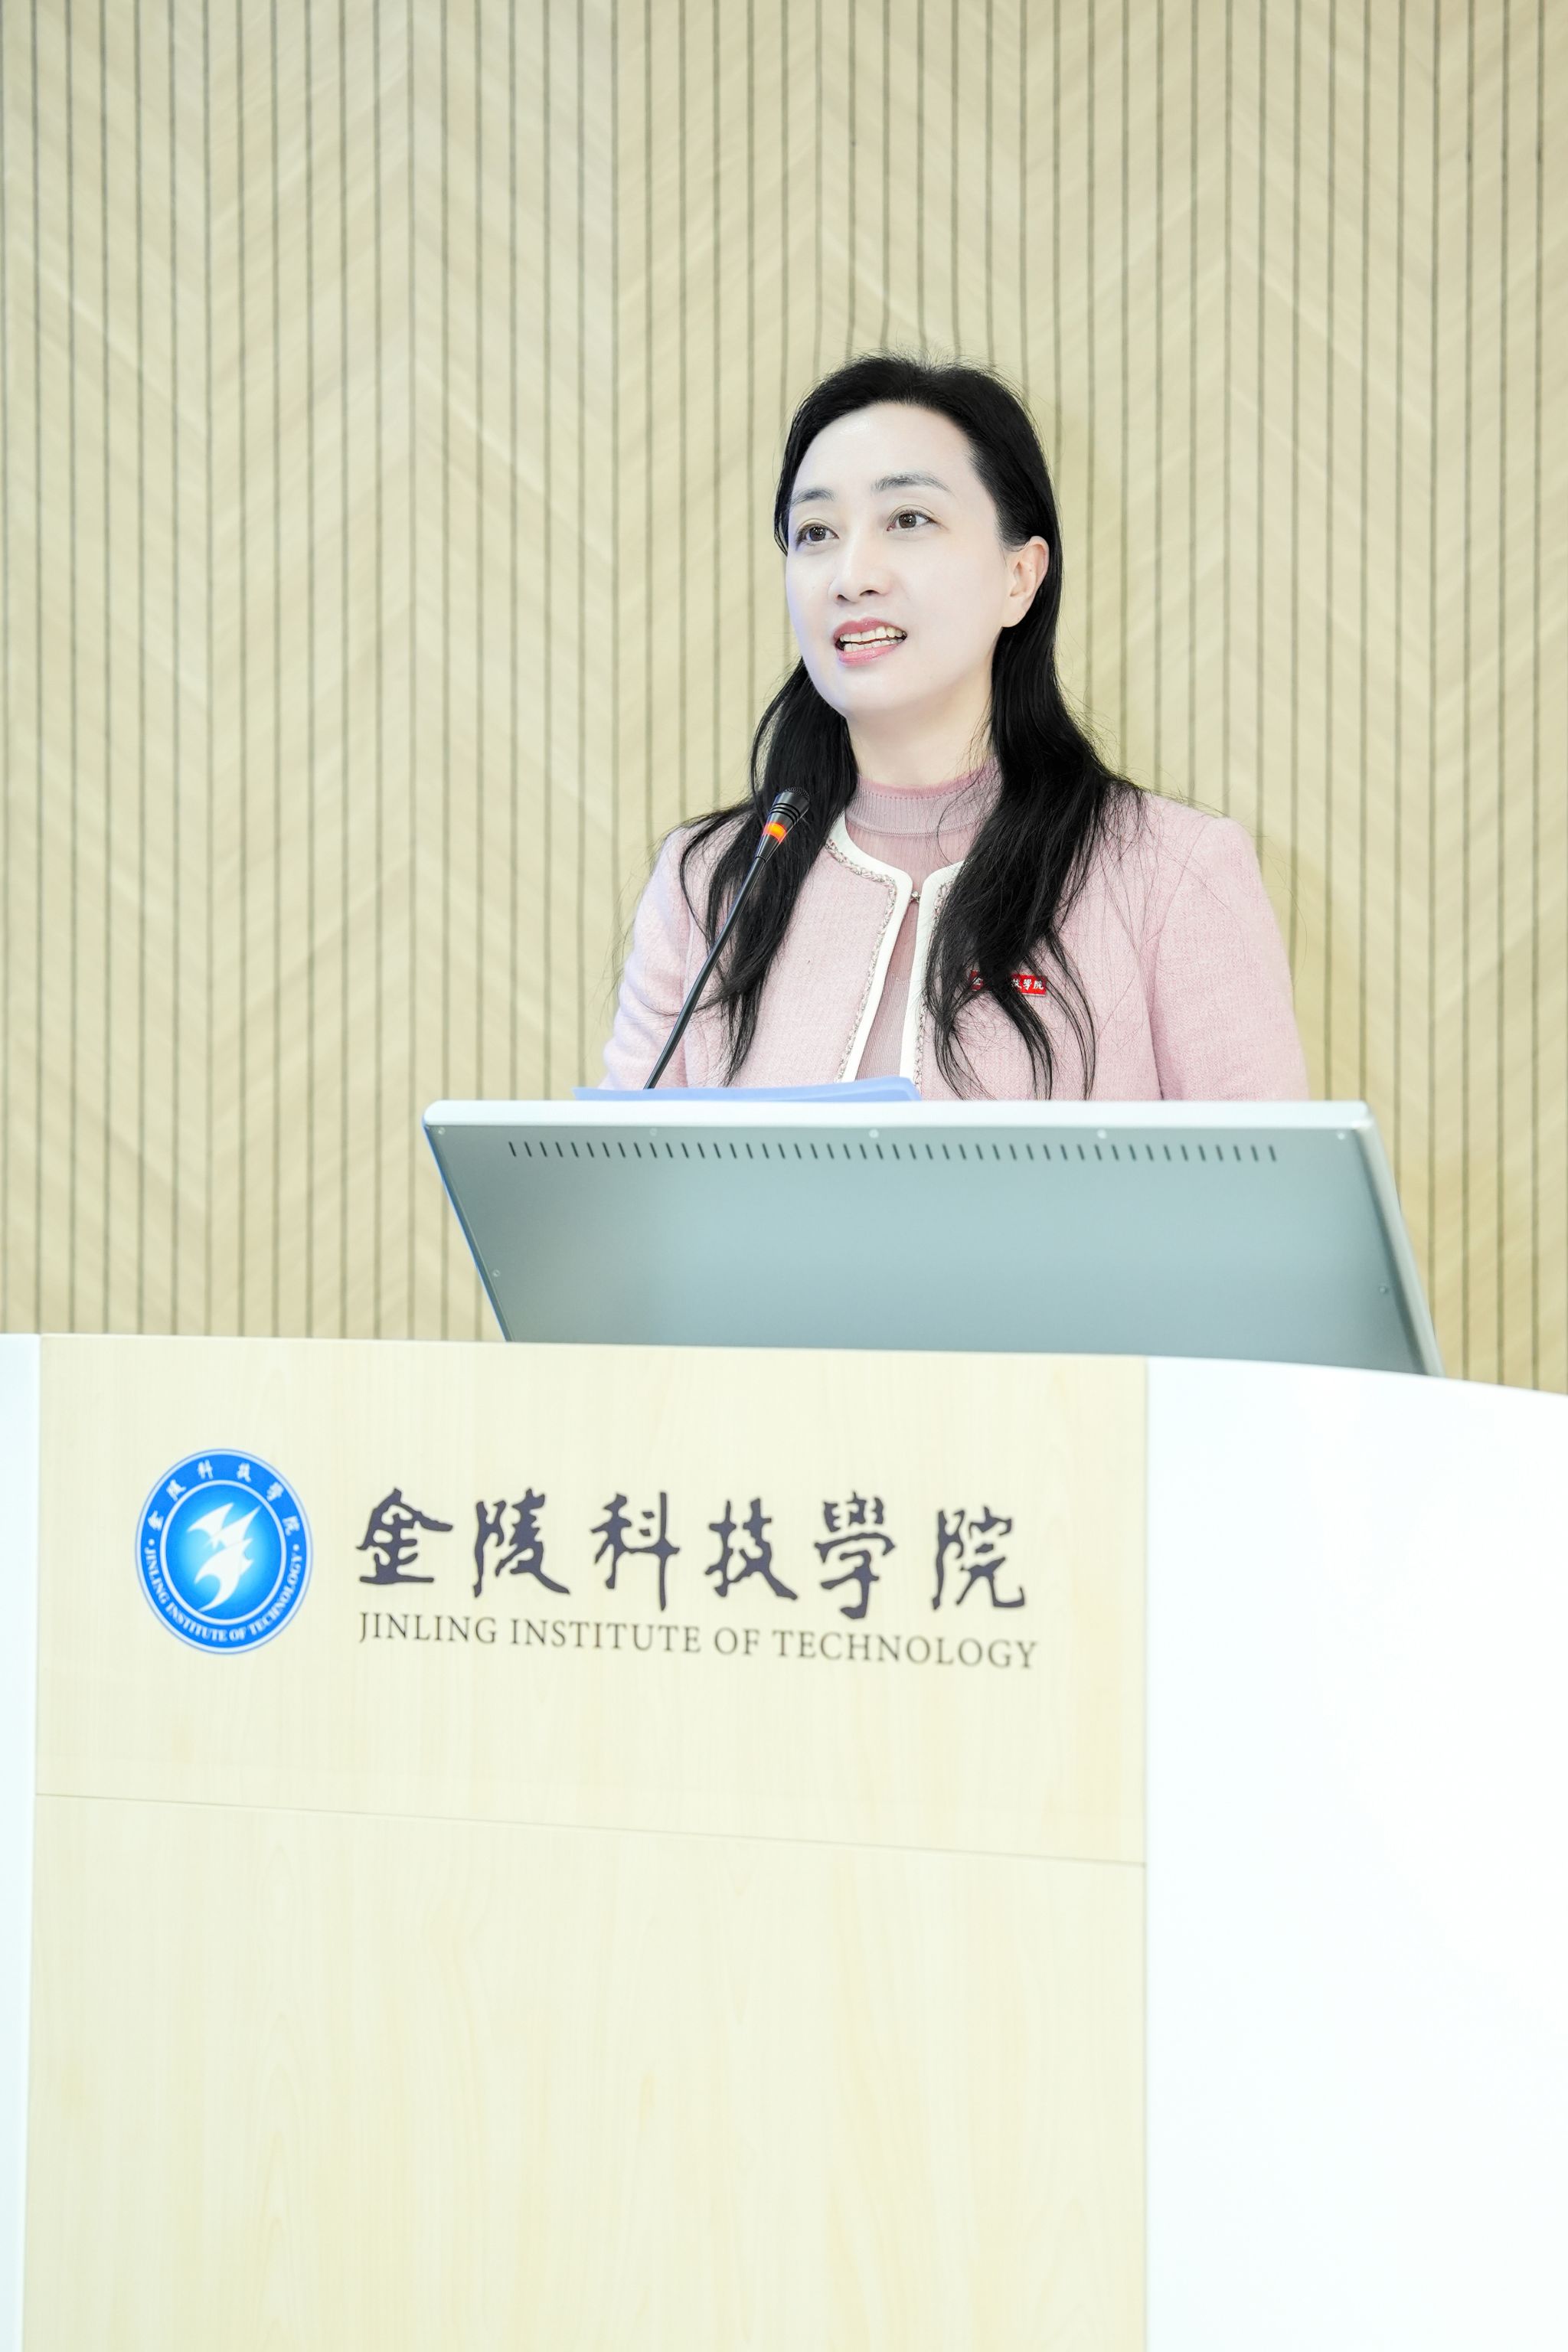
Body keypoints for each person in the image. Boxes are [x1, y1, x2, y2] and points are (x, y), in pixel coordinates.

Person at [601, 352, 1308, 1101]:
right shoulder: (708, 884)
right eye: (815, 532)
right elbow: (613, 1169)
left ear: (1019, 578)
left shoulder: (1173, 874)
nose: (851, 577)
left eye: (908, 519)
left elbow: (1262, 1178)